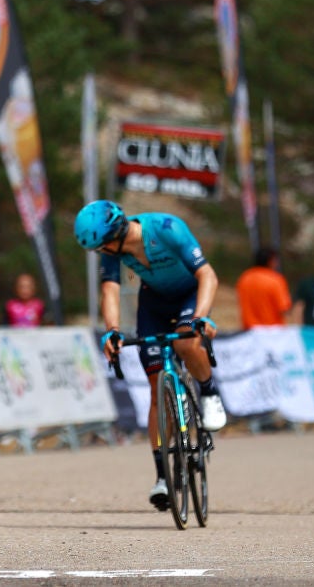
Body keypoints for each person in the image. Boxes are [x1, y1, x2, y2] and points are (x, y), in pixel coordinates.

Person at [73, 199, 226, 511]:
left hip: (188, 295)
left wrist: (199, 317)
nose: (100, 253)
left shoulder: (167, 228)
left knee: (185, 343)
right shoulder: (112, 250)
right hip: (154, 304)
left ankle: (209, 394)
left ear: (114, 235)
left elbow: (207, 275)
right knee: (157, 386)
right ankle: (162, 477)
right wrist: (112, 329)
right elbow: (110, 290)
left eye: (101, 246)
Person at [235, 246, 291, 329]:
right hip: (271, 332)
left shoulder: (244, 277)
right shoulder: (276, 279)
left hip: (249, 331)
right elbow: (284, 308)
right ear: (270, 261)